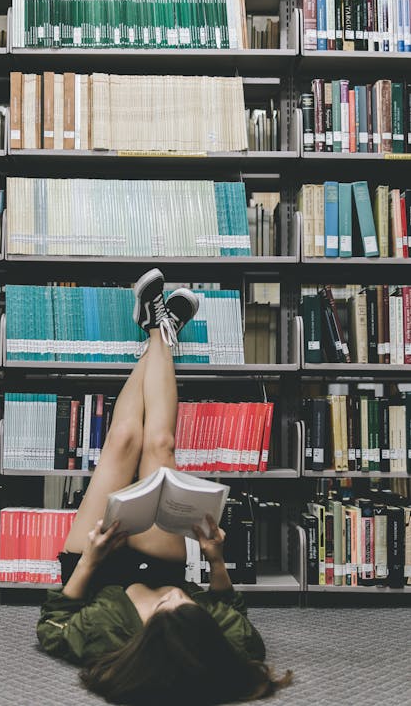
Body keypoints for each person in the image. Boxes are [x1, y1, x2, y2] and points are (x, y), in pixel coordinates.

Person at [37, 268, 292, 705]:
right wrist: (214, 560)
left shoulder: (108, 641)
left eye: (164, 607)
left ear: (149, 639)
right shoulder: (231, 647)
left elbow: (53, 622)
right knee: (159, 445)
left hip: (95, 566)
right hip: (159, 559)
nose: (176, 594)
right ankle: (159, 328)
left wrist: (90, 561)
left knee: (122, 441)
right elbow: (232, 611)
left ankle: (158, 329)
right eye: (186, 604)